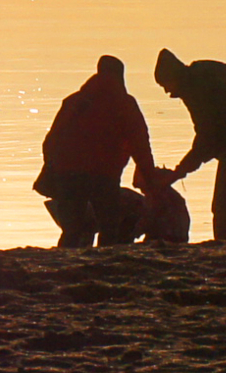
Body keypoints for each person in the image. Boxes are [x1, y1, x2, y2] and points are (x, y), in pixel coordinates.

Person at [34, 55, 159, 247]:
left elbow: (51, 140)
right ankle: (105, 262)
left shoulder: (74, 101)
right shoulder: (124, 104)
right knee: (109, 226)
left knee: (72, 228)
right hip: (105, 174)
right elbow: (140, 143)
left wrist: (52, 168)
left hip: (69, 173)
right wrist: (150, 178)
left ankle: (66, 265)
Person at [154, 48, 226, 244]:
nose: (167, 91)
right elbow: (208, 137)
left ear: (173, 77)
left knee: (223, 204)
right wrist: (183, 169)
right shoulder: (200, 81)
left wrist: (178, 172)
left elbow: (206, 137)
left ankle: (223, 245)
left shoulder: (195, 89)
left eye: (165, 84)